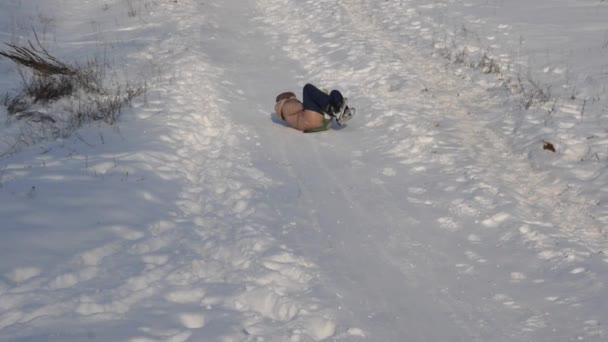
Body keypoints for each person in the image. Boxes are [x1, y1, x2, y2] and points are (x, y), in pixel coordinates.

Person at [274, 83, 354, 132]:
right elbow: (300, 106)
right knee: (307, 88)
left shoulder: (287, 113)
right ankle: (332, 109)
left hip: (316, 119)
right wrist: (318, 98)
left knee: (334, 93)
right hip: (309, 119)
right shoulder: (285, 106)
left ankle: (342, 112)